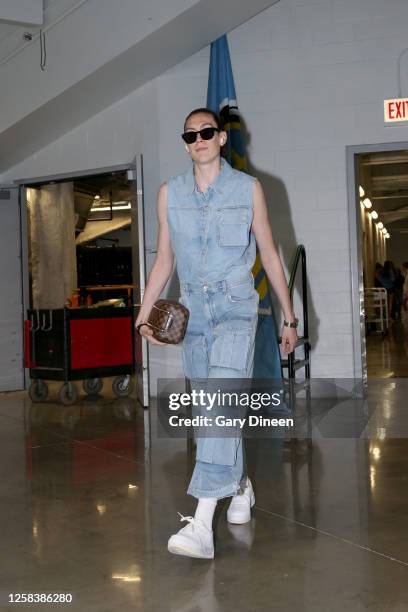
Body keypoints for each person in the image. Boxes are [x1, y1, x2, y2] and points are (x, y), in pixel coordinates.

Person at [135, 108, 298, 559]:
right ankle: (240, 486)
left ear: (222, 138)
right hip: (192, 313)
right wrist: (144, 314)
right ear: (185, 142)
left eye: (207, 132)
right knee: (214, 409)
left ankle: (202, 524)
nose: (199, 139)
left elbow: (268, 253)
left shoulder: (248, 189)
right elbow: (164, 259)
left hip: (235, 307)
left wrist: (289, 317)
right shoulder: (170, 193)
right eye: (190, 134)